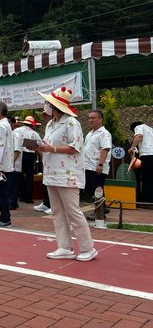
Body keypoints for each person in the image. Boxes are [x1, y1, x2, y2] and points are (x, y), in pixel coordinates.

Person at [36, 86, 97, 262]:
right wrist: (39, 146)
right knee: (57, 211)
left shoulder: (71, 122)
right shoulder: (50, 124)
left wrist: (51, 148)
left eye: (48, 102)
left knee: (73, 212)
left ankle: (88, 248)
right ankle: (64, 247)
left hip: (68, 173)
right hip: (51, 172)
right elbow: (47, 144)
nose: (46, 105)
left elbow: (75, 147)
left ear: (55, 106)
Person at [83, 110, 112, 203]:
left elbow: (105, 148)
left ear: (100, 120)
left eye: (93, 118)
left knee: (97, 190)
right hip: (88, 166)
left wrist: (100, 164)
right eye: (89, 118)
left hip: (97, 167)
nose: (90, 120)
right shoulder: (89, 133)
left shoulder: (104, 133)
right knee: (90, 189)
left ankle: (101, 211)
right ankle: (101, 208)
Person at [17, 116, 42, 204]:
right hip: (30, 155)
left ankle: (21, 195)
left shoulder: (17, 131)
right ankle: (28, 198)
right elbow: (40, 146)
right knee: (29, 177)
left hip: (19, 154)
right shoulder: (34, 133)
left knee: (19, 176)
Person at [129, 121, 153, 203]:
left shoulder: (139, 127)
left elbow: (139, 136)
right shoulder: (150, 129)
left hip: (147, 155)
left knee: (147, 178)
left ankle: (148, 200)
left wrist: (132, 147)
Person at [34, 110, 52, 215]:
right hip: (47, 159)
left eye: (46, 114)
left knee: (53, 184)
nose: (44, 116)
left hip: (57, 161)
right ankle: (46, 203)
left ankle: (54, 205)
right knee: (46, 182)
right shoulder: (49, 126)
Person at [8, 116, 21, 210]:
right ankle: (13, 203)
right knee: (11, 184)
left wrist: (11, 162)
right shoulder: (10, 133)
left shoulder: (15, 134)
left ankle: (12, 203)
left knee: (13, 184)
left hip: (14, 164)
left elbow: (17, 150)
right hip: (10, 164)